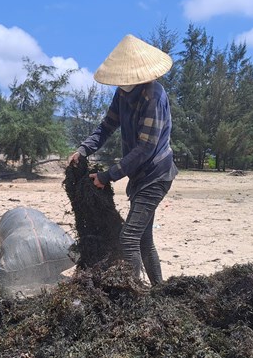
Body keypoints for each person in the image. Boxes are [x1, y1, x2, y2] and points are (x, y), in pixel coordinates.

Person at [69, 34, 178, 285]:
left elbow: (145, 148)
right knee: (143, 239)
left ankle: (135, 294)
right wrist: (83, 150)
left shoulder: (154, 96)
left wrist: (108, 176)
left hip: (156, 174)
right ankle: (159, 289)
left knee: (128, 238)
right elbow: (106, 127)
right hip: (140, 176)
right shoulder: (122, 94)